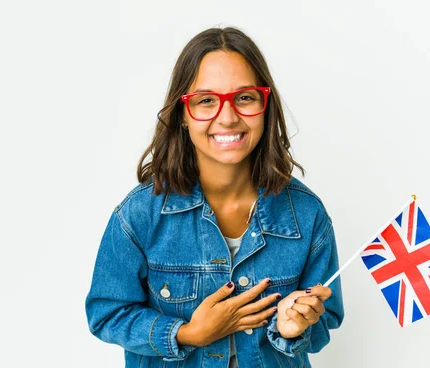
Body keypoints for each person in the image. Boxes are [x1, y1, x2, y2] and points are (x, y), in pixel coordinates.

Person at [85, 26, 344, 367]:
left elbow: (326, 321)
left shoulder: (306, 214)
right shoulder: (140, 215)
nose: (228, 117)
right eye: (206, 100)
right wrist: (187, 333)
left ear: (265, 107)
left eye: (245, 97)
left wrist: (293, 329)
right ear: (182, 115)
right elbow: (106, 313)